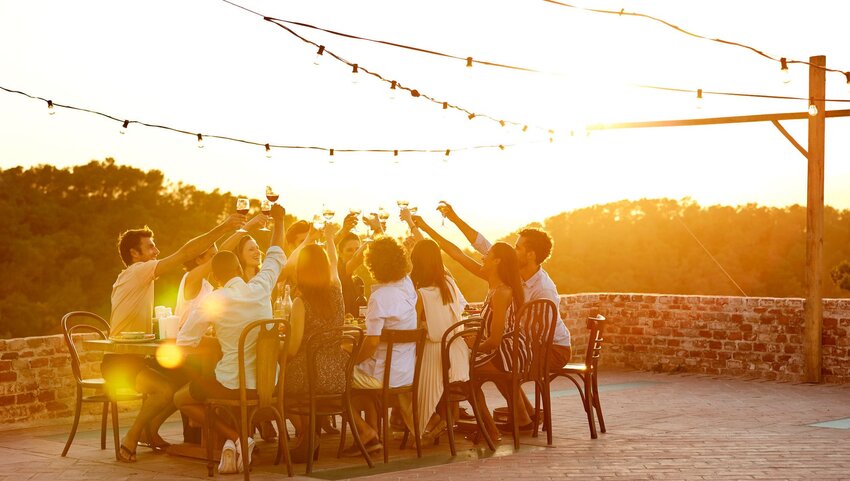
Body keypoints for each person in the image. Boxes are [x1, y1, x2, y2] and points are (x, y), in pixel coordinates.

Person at [106, 213, 245, 462]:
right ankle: (132, 437)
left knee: (184, 380)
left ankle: (152, 430)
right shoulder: (137, 272)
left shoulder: (141, 277)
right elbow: (183, 254)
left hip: (139, 357)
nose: (156, 250)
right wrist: (224, 226)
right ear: (134, 254)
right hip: (119, 360)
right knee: (165, 390)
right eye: (150, 247)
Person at [436, 201, 572, 431]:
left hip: (552, 348)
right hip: (525, 343)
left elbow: (538, 333)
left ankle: (516, 418)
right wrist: (453, 218)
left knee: (500, 363)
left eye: (518, 247)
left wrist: (493, 339)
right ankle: (525, 416)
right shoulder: (512, 273)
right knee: (500, 359)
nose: (513, 249)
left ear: (531, 254)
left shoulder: (544, 289)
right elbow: (482, 244)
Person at [172, 203, 286, 474]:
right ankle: (237, 441)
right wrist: (279, 222)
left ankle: (236, 438)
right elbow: (276, 255)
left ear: (216, 276)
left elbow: (185, 341)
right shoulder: (262, 286)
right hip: (268, 384)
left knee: (181, 399)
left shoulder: (214, 299)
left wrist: (218, 339)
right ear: (238, 266)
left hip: (231, 385)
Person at [411, 215, 524, 443]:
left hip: (506, 353)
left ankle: (475, 426)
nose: (483, 257)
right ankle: (455, 421)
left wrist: (472, 346)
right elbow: (456, 254)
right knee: (454, 363)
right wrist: (422, 228)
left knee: (460, 370)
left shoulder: (502, 293)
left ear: (498, 262)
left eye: (488, 256)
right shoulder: (493, 283)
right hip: (500, 349)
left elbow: (494, 341)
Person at [342, 236, 417, 456]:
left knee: (338, 378)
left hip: (384, 376)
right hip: (406, 372)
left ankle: (365, 431)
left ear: (373, 264)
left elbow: (372, 342)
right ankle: (372, 433)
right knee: (359, 380)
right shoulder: (407, 288)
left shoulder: (379, 298)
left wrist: (351, 361)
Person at [284, 224, 348, 462]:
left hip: (311, 373)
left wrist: (279, 359)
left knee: (279, 390)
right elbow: (333, 262)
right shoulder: (337, 292)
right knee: (296, 382)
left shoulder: (301, 302)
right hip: (338, 373)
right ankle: (309, 438)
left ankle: (306, 435)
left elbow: (292, 347)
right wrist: (330, 239)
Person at [408, 239, 470, 439]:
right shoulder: (450, 284)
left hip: (436, 355)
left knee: (402, 379)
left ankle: (430, 423)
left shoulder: (421, 294)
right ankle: (442, 420)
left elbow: (412, 330)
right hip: (457, 352)